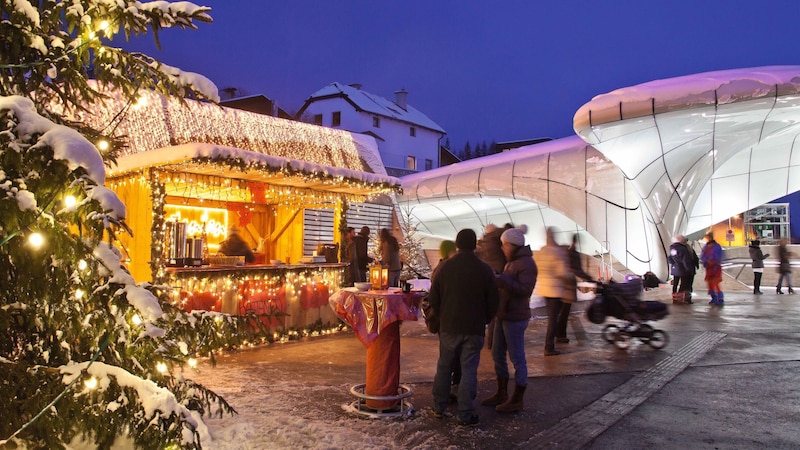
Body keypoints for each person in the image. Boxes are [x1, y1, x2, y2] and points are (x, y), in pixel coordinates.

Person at [429, 229, 499, 427]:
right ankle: (465, 413)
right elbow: (493, 301)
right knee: (469, 370)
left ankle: (438, 407)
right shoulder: (484, 269)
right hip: (474, 327)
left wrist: (444, 316)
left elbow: (433, 297)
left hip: (449, 326)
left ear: (457, 244)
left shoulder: (445, 267)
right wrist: (484, 319)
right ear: (474, 244)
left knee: (444, 367)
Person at [481, 226, 536, 413]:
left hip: (515, 316)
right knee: (497, 353)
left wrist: (502, 280)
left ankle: (517, 398)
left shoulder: (527, 264)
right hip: (503, 313)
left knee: (517, 357)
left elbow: (524, 290)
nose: (502, 249)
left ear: (512, 245)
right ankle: (502, 391)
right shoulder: (511, 262)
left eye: (504, 245)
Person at [533, 227, 572, 356]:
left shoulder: (541, 252)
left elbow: (537, 268)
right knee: (553, 319)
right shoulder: (557, 252)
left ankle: (554, 340)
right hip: (555, 290)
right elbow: (562, 272)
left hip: (544, 289)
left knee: (552, 317)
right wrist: (570, 276)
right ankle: (549, 347)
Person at [555, 233, 595, 343]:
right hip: (568, 286)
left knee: (560, 312)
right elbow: (578, 271)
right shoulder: (573, 254)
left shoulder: (564, 252)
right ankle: (560, 335)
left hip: (559, 285)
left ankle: (557, 333)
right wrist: (590, 279)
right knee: (564, 312)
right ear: (577, 242)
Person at [669, 235, 696, 303]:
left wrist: (675, 264)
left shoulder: (672, 248)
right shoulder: (684, 249)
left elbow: (669, 258)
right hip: (683, 270)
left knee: (675, 284)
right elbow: (685, 261)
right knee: (684, 285)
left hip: (675, 269)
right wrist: (690, 269)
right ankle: (682, 298)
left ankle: (675, 298)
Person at [701, 232, 724, 305]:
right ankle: (714, 297)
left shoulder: (717, 246)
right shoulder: (706, 246)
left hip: (715, 267)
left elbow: (719, 256)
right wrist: (707, 260)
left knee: (715, 283)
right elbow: (702, 256)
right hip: (709, 267)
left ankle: (720, 299)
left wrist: (713, 261)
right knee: (710, 283)